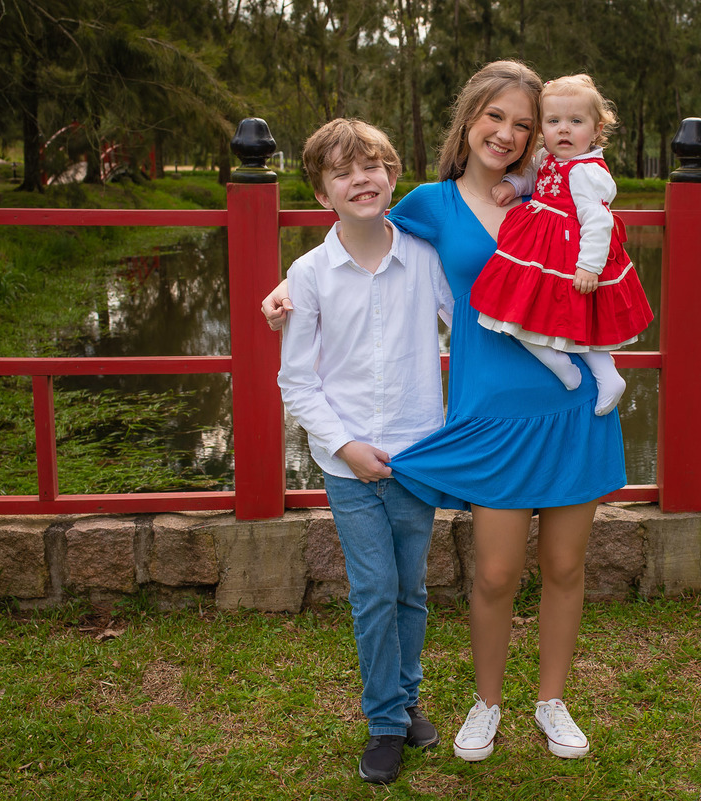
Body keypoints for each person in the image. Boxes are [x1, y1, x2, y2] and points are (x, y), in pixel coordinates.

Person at [264, 61, 626, 763]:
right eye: (497, 117)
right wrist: (288, 282)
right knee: (492, 573)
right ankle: (485, 703)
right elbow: (360, 231)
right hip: (490, 411)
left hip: (572, 399)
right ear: (469, 118)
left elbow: (601, 263)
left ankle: (551, 701)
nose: (510, 133)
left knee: (564, 565)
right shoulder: (432, 203)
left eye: (525, 124)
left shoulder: (556, 190)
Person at [276, 118, 454, 785]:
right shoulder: (310, 273)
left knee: (410, 587)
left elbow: (467, 324)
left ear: (393, 176)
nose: (362, 178)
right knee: (374, 588)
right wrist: (345, 444)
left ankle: (406, 699)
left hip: (416, 455)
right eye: (344, 170)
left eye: (374, 164)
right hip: (347, 462)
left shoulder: (424, 258)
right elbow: (297, 378)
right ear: (322, 194)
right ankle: (384, 719)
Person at [471, 74, 654, 416]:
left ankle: (606, 374)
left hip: (570, 256)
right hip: (538, 249)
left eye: (575, 121)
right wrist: (513, 184)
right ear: (543, 128)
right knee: (511, 311)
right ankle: (561, 364)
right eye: (554, 121)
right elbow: (532, 175)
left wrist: (589, 266)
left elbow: (599, 221)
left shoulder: (587, 171)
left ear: (597, 129)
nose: (564, 130)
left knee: (570, 320)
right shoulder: (547, 157)